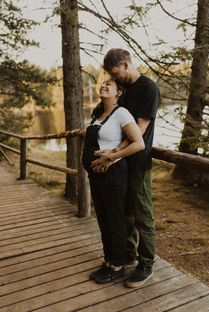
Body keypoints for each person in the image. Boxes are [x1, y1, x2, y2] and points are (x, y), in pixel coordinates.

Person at [91, 49, 160, 288]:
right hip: (120, 166)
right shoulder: (125, 89)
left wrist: (114, 154)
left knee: (142, 215)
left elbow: (138, 130)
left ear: (125, 64)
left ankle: (146, 263)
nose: (113, 77)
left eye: (115, 72)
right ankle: (127, 255)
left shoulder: (148, 88)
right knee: (125, 214)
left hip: (138, 163)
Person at [82, 78, 145, 284]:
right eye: (102, 84)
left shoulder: (122, 113)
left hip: (114, 174)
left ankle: (118, 265)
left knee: (115, 220)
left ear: (119, 93)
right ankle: (108, 260)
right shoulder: (98, 114)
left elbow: (139, 143)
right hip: (96, 175)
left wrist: (113, 156)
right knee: (103, 220)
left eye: (109, 85)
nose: (103, 86)